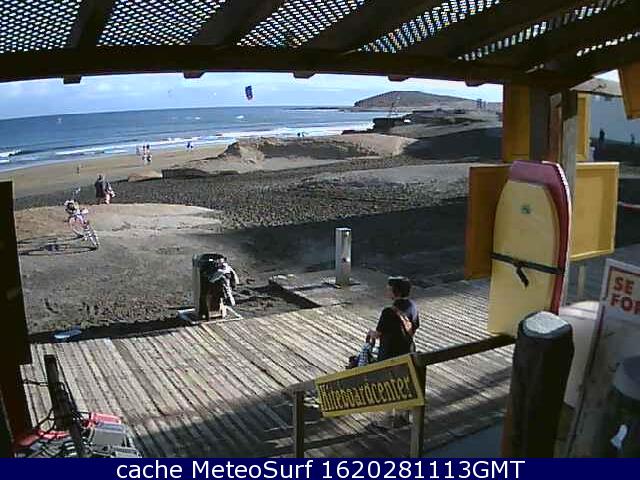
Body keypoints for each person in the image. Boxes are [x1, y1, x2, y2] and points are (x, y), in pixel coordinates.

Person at [368, 276, 419, 362]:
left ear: (396, 292)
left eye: (389, 290)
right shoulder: (413, 306)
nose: (386, 292)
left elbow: (377, 334)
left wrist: (370, 333)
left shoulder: (388, 312)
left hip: (390, 354)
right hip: (407, 351)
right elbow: (415, 326)